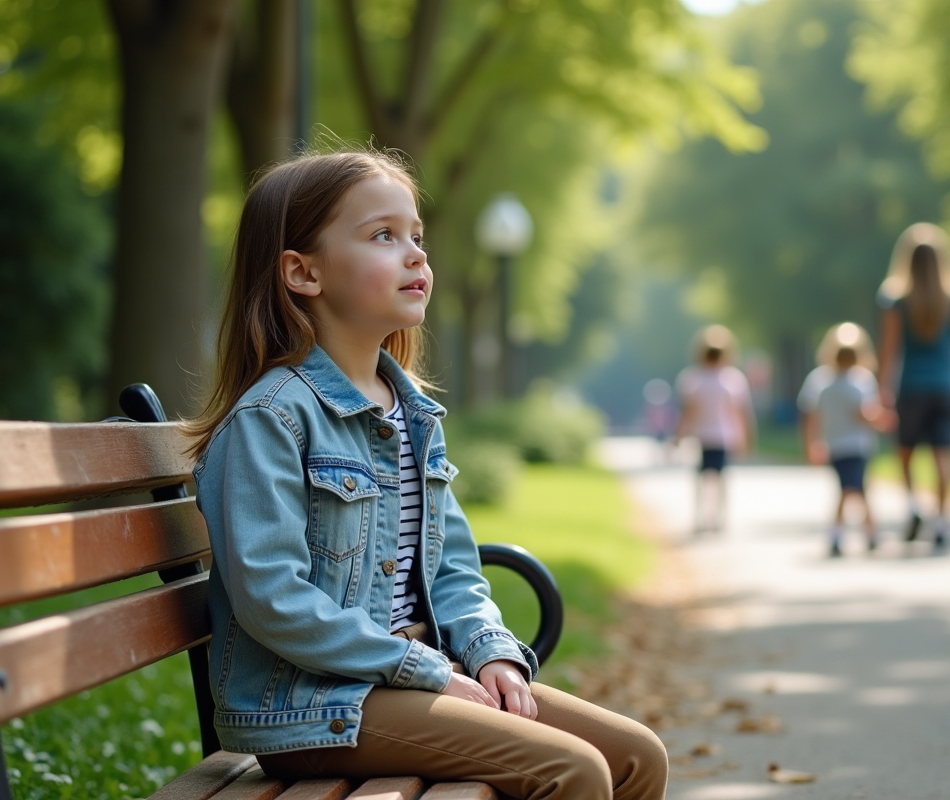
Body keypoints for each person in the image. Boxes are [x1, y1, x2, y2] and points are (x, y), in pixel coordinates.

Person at [184, 148, 667, 800]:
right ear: (303, 272)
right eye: (383, 235)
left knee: (636, 756)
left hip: (413, 677)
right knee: (572, 771)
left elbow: (453, 569)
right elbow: (273, 598)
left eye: (417, 236)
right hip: (320, 703)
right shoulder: (271, 419)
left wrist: (490, 650)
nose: (416, 255)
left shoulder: (410, 413)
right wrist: (422, 669)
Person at [876, 222, 950, 550]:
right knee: (943, 454)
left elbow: (888, 350)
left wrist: (881, 390)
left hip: (911, 387)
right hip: (945, 386)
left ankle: (915, 507)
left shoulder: (895, 299)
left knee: (904, 453)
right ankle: (943, 521)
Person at [798, 323, 890, 556]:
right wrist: (881, 420)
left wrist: (812, 443)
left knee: (854, 488)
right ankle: (849, 534)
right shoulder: (851, 384)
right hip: (856, 445)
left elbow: (814, 417)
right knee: (854, 489)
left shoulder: (826, 384)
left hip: (837, 444)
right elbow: (863, 413)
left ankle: (862, 533)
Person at [675, 325, 753, 534]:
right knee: (713, 478)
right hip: (710, 436)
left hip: (717, 436)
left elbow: (690, 412)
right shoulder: (708, 378)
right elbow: (739, 413)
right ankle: (711, 517)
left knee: (713, 478)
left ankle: (714, 517)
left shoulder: (701, 378)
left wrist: (679, 434)